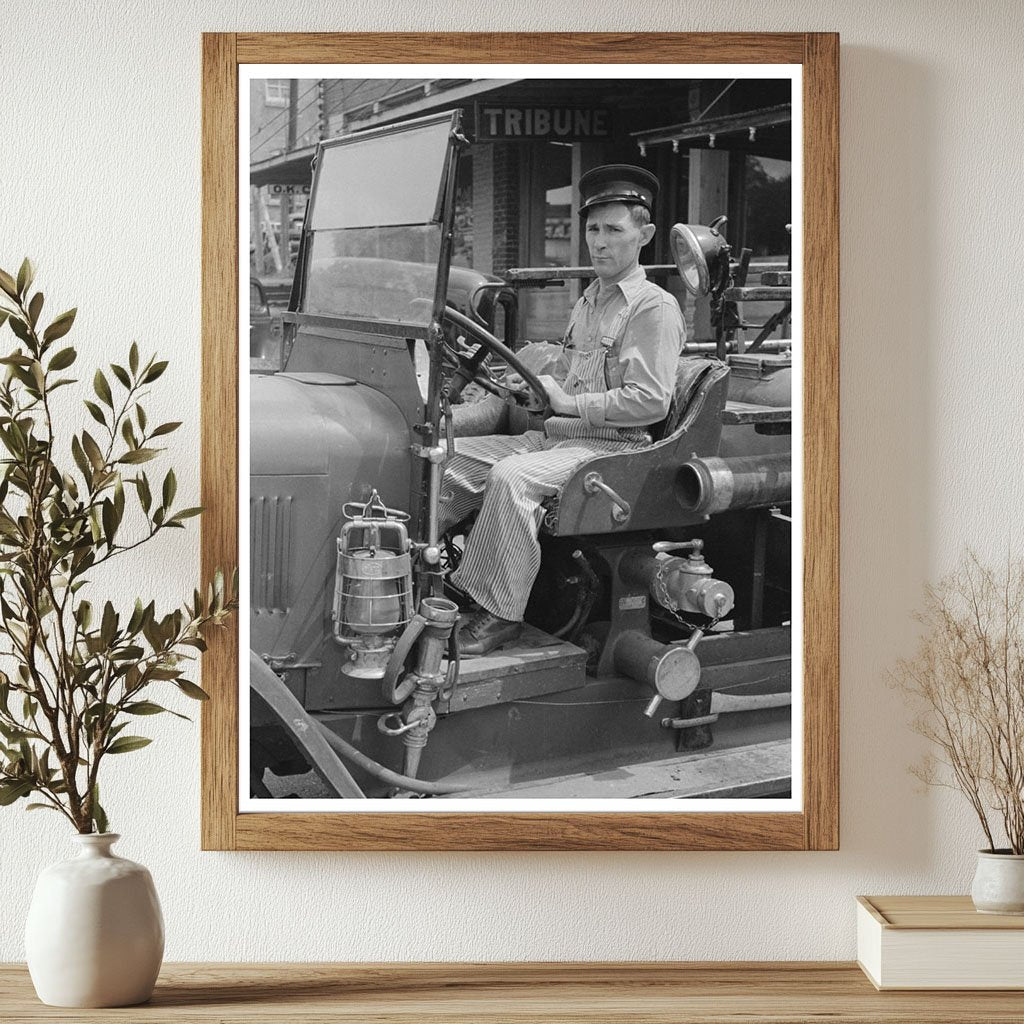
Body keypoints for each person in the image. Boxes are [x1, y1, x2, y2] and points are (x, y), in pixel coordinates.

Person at [439, 164, 686, 655]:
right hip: (560, 436)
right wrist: (534, 393)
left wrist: (568, 401)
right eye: (593, 229)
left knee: (513, 478)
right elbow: (570, 379)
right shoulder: (589, 302)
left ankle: (499, 616)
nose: (599, 241)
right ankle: (428, 583)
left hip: (614, 450)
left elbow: (650, 401)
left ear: (645, 234)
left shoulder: (652, 309)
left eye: (614, 229)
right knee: (445, 458)